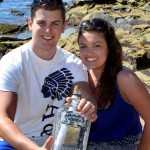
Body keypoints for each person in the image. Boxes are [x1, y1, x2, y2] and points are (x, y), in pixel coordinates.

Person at [0, 0, 97, 149]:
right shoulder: (12, 62)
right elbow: (2, 118)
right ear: (30, 24)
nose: (48, 31)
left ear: (64, 26)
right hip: (16, 140)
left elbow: (85, 96)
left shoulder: (73, 63)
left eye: (55, 24)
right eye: (41, 23)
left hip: (58, 140)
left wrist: (88, 106)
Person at [77, 18, 150, 150]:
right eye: (83, 46)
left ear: (109, 47)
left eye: (96, 45)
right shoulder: (81, 76)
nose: (89, 53)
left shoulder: (124, 78)